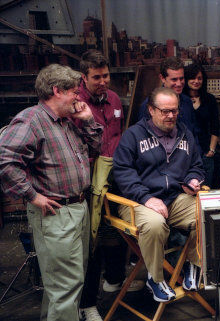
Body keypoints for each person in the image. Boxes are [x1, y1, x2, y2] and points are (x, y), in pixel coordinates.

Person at [0, 64, 103, 320]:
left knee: (66, 284)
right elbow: (5, 160)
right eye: (74, 92)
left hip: (77, 208)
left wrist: (88, 120)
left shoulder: (66, 122)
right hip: (56, 212)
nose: (78, 97)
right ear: (57, 90)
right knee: (65, 286)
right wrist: (32, 196)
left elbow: (96, 147)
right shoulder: (32, 120)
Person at [113, 87, 205, 303]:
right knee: (154, 224)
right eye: (164, 111)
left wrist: (192, 179)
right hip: (136, 201)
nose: (170, 115)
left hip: (174, 198)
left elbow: (197, 166)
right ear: (151, 110)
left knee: (204, 212)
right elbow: (123, 173)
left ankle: (194, 265)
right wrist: (146, 198)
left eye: (174, 111)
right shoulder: (133, 136)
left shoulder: (186, 134)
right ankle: (155, 277)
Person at [75, 50, 143, 321]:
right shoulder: (76, 102)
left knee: (115, 229)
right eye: (96, 77)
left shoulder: (114, 98)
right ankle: (87, 303)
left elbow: (117, 135)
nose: (103, 81)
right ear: (84, 77)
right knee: (91, 240)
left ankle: (114, 279)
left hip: (116, 173)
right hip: (89, 176)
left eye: (106, 76)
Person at [138, 57, 200, 145]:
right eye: (174, 79)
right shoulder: (149, 105)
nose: (179, 84)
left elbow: (194, 133)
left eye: (181, 79)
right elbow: (143, 139)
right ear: (162, 78)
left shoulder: (187, 102)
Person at [183, 64, 219, 187]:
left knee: (206, 188)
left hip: (205, 152)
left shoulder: (209, 99)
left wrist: (211, 150)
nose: (196, 81)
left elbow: (215, 126)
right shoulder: (181, 100)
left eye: (200, 78)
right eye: (192, 78)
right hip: (186, 153)